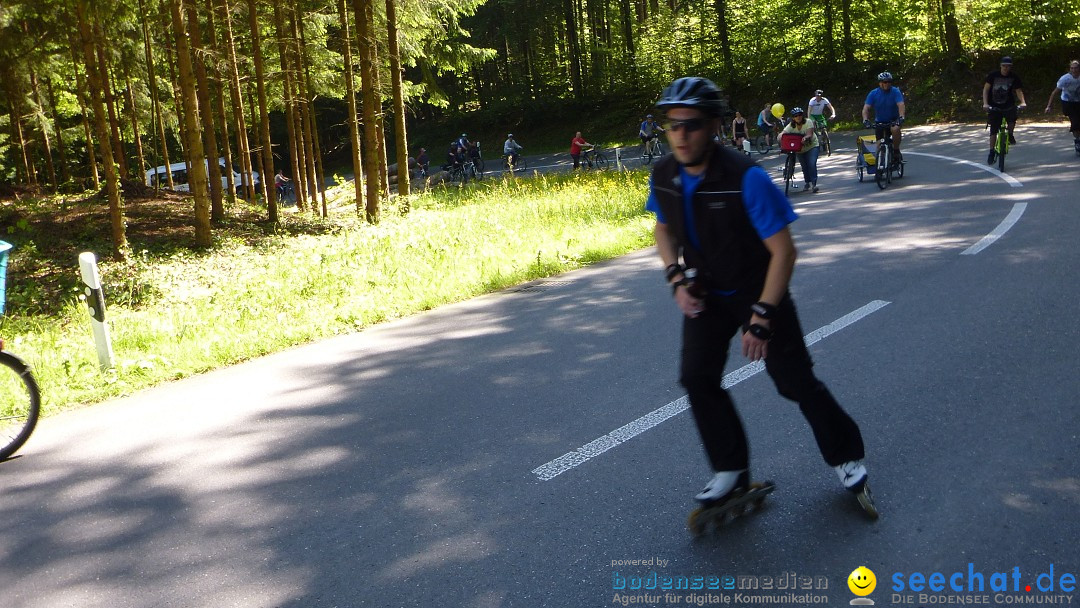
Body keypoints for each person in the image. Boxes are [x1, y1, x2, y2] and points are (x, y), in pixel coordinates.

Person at [644, 76, 875, 516]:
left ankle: (846, 455)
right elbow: (663, 226)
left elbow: (784, 251)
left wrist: (763, 316)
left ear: (712, 126)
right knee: (696, 377)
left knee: (794, 383)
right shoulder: (665, 174)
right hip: (705, 289)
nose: (680, 134)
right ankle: (730, 469)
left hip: (758, 288)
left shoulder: (745, 178)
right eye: (672, 125)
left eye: (690, 124)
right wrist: (675, 277)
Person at [983, 57, 1028, 165]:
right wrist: (985, 103)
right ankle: (991, 151)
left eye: (1008, 66)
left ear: (1011, 67)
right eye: (1004, 65)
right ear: (1000, 66)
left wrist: (1022, 102)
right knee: (993, 129)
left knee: (1012, 118)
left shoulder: (1014, 77)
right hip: (994, 105)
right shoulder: (993, 75)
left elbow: (1018, 91)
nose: (1006, 68)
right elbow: (986, 89)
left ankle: (1010, 134)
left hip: (1008, 104)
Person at [862, 71, 906, 161]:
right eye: (885, 82)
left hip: (893, 120)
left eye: (889, 82)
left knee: (896, 129)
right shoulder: (873, 93)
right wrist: (865, 120)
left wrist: (901, 117)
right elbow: (866, 108)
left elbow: (901, 104)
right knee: (878, 145)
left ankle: (896, 150)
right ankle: (879, 167)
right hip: (880, 121)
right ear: (880, 83)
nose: (887, 84)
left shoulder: (895, 91)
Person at [1044, 59, 1080, 155]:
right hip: (1068, 102)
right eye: (1072, 68)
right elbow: (1054, 93)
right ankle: (1077, 142)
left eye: (1076, 68)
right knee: (1075, 122)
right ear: (1070, 69)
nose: (1074, 70)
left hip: (1078, 102)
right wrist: (1048, 106)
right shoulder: (1065, 79)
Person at [781, 107, 820, 192]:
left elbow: (810, 133)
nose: (798, 117)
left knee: (811, 163)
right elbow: (783, 133)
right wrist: (780, 138)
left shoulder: (808, 122)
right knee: (804, 166)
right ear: (793, 118)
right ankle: (807, 182)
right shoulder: (791, 125)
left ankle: (814, 184)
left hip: (812, 146)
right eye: (796, 116)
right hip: (799, 149)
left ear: (802, 115)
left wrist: (805, 137)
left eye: (800, 115)